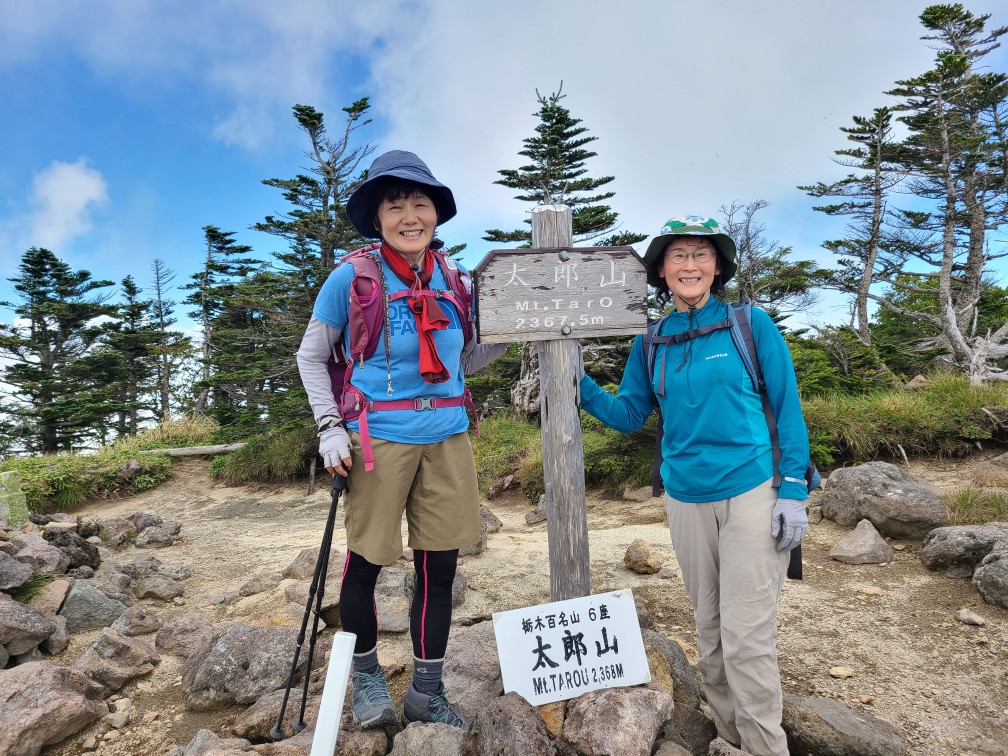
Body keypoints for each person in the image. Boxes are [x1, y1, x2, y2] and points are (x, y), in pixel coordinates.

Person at [578, 215, 810, 755]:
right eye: (678, 255)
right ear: (661, 270)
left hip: (753, 488)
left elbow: (787, 408)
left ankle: (765, 747)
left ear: (717, 267)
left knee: (747, 636)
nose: (690, 265)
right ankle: (729, 738)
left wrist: (794, 489)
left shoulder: (749, 325)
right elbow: (630, 414)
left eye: (701, 254)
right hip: (684, 496)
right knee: (709, 628)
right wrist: (578, 384)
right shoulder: (650, 340)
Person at [296, 150, 505, 730]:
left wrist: (518, 332)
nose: (410, 216)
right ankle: (367, 679)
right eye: (395, 206)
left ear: (436, 213)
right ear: (378, 217)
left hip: (448, 436)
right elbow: (311, 357)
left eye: (420, 203)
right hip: (377, 437)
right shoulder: (352, 278)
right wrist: (328, 427)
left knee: (440, 569)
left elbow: (464, 360)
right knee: (366, 563)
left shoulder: (456, 281)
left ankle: (425, 691)